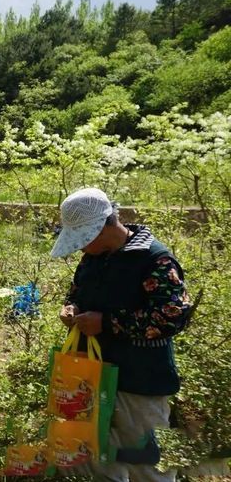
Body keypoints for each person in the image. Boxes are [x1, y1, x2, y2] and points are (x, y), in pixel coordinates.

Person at [52, 187, 194, 481]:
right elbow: (78, 291)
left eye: (82, 240)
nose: (79, 248)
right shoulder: (93, 258)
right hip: (96, 376)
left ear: (102, 228)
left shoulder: (154, 260)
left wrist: (107, 322)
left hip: (139, 380)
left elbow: (171, 318)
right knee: (102, 457)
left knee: (147, 465)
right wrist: (72, 307)